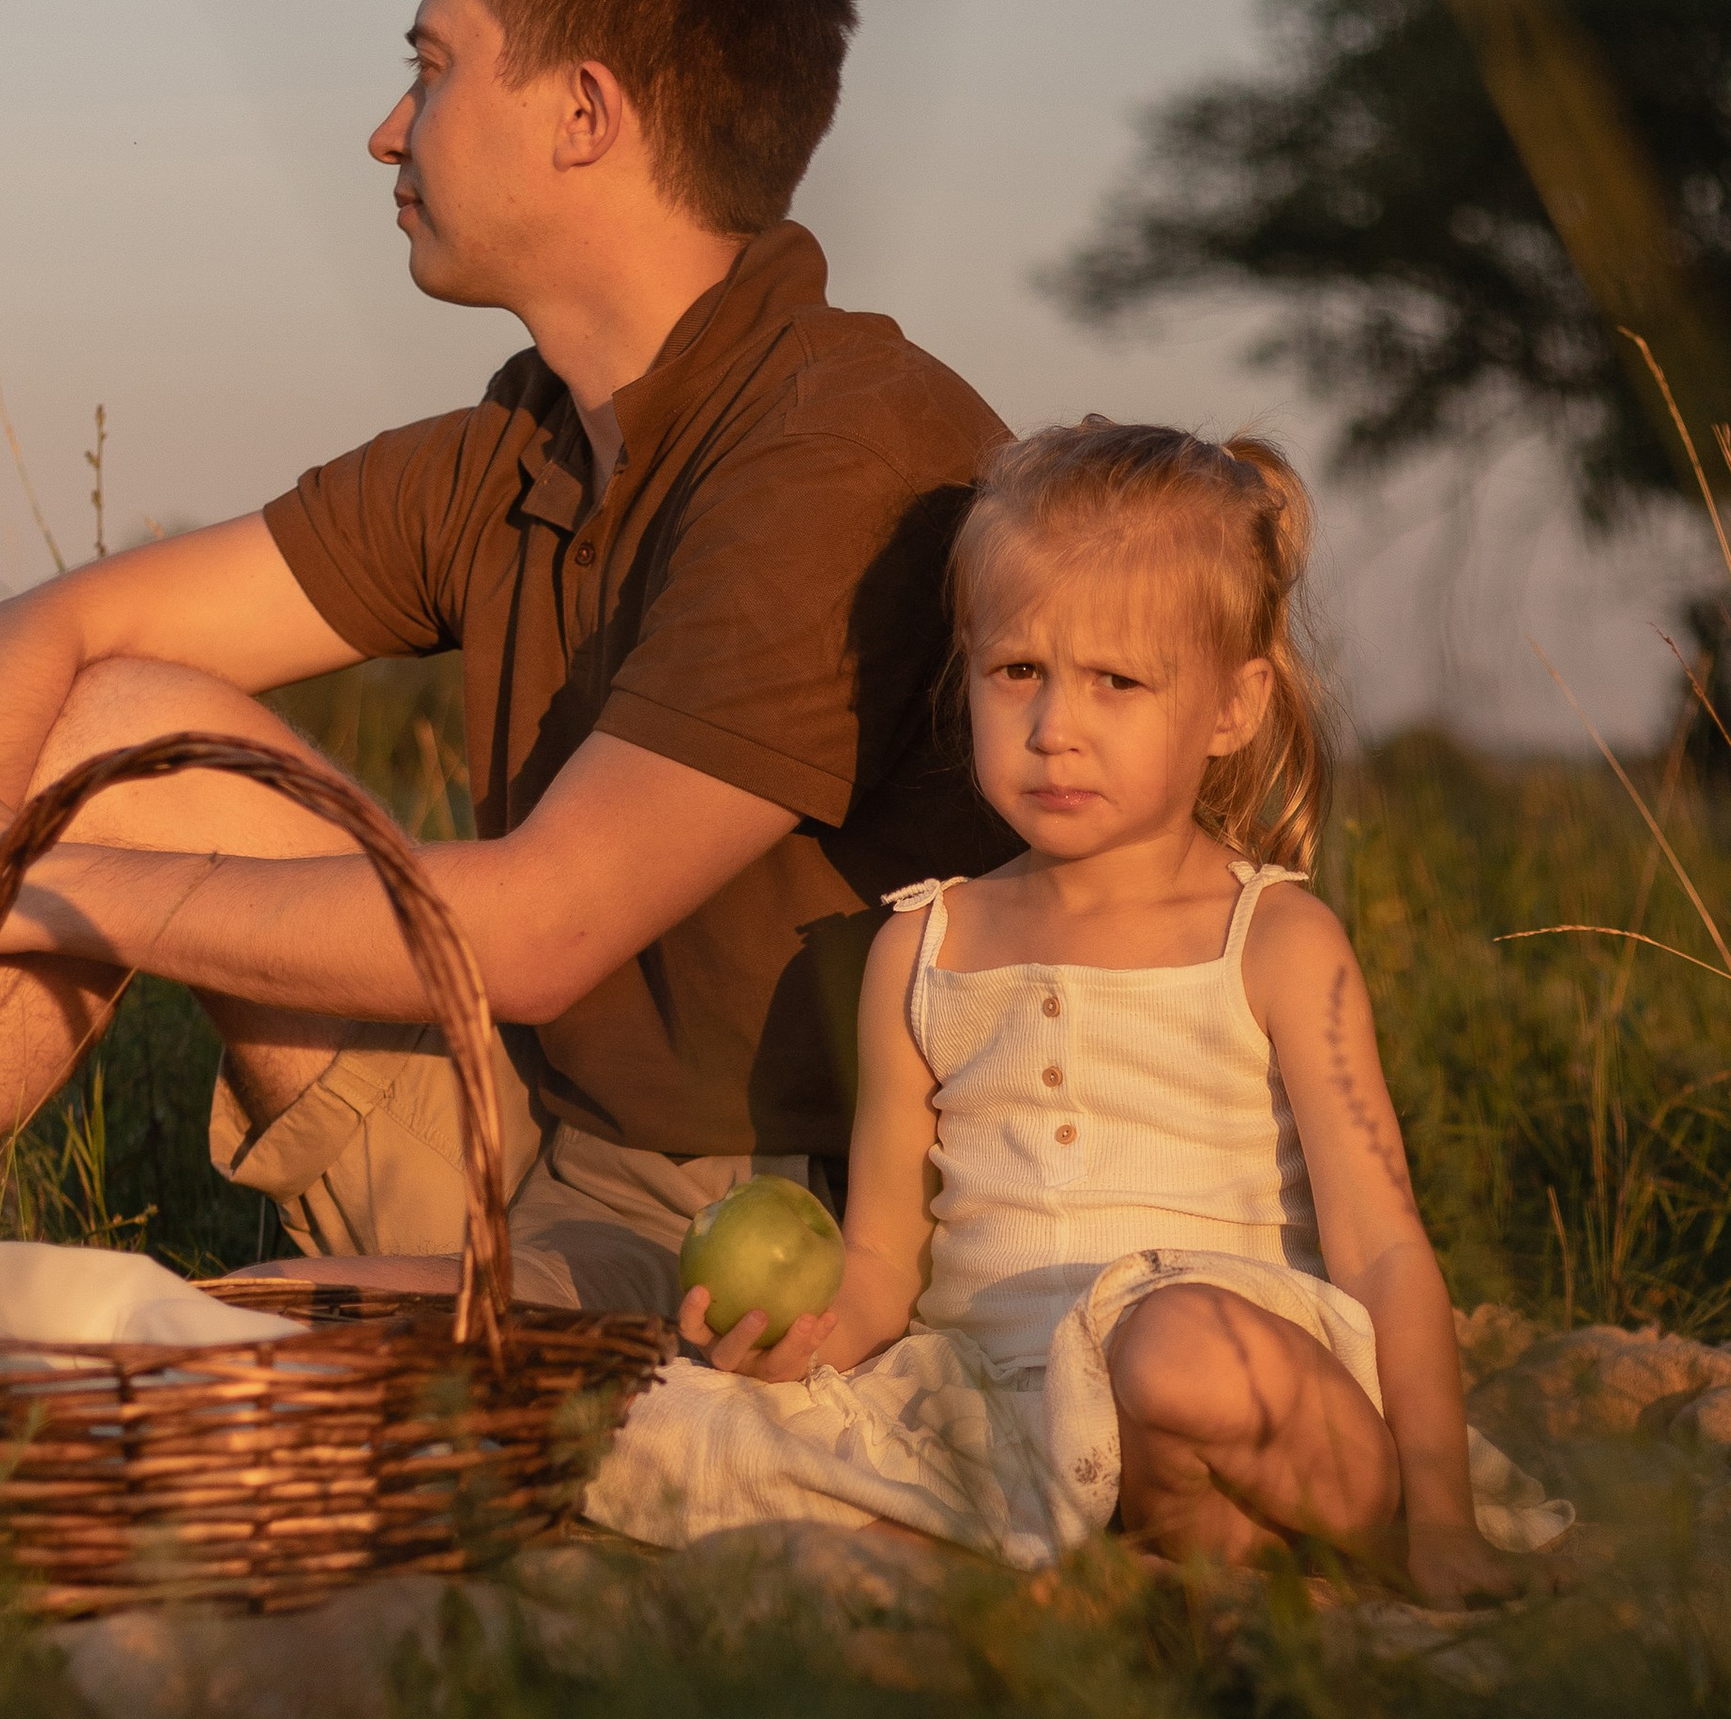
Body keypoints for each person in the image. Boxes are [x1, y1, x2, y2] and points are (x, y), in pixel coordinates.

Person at [0, 0, 1008, 1316]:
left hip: (787, 1235)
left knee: (167, 1382)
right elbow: (52, 628)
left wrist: (8, 884)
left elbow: (546, 928)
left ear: (586, 114)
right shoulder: (522, 447)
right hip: (523, 1125)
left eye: (433, 66)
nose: (388, 128)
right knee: (118, 721)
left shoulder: (838, 450)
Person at [582, 418, 1542, 1605]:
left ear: (1233, 706)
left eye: (1118, 681)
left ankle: (1329, 1533)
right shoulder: (919, 948)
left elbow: (1385, 1251)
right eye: (1017, 670)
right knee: (658, 1419)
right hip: (1002, 1411)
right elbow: (886, 1255)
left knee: (1171, 1349)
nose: (1054, 728)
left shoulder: (1278, 942)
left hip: (1247, 1386)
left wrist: (1444, 1513)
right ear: (969, 669)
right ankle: (1123, 1562)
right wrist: (806, 1344)